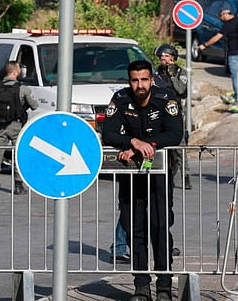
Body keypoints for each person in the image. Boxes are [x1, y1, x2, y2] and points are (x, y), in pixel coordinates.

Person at [102, 59, 184, 301]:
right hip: (131, 176)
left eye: (144, 80)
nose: (140, 85)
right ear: (130, 81)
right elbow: (108, 132)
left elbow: (175, 133)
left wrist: (147, 146)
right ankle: (140, 285)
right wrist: (132, 143)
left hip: (159, 174)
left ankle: (164, 285)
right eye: (135, 80)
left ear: (151, 80)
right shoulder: (120, 99)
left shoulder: (165, 98)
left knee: (160, 227)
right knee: (134, 229)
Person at [0, 61, 38, 195]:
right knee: (18, 154)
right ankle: (18, 185)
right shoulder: (22, 89)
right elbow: (35, 106)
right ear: (15, 72)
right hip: (16, 126)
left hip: (0, 126)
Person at [153, 44, 192, 190]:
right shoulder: (157, 73)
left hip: (175, 111)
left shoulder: (180, 72)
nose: (163, 59)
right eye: (162, 57)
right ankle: (165, 174)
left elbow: (181, 90)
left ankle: (186, 176)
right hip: (160, 111)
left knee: (180, 145)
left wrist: (172, 75)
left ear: (173, 58)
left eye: (166, 56)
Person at [198, 8, 238, 110]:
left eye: (221, 16)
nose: (220, 19)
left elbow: (217, 37)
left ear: (225, 14)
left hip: (234, 54)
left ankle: (237, 97)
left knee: (235, 76)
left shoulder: (227, 26)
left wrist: (205, 45)